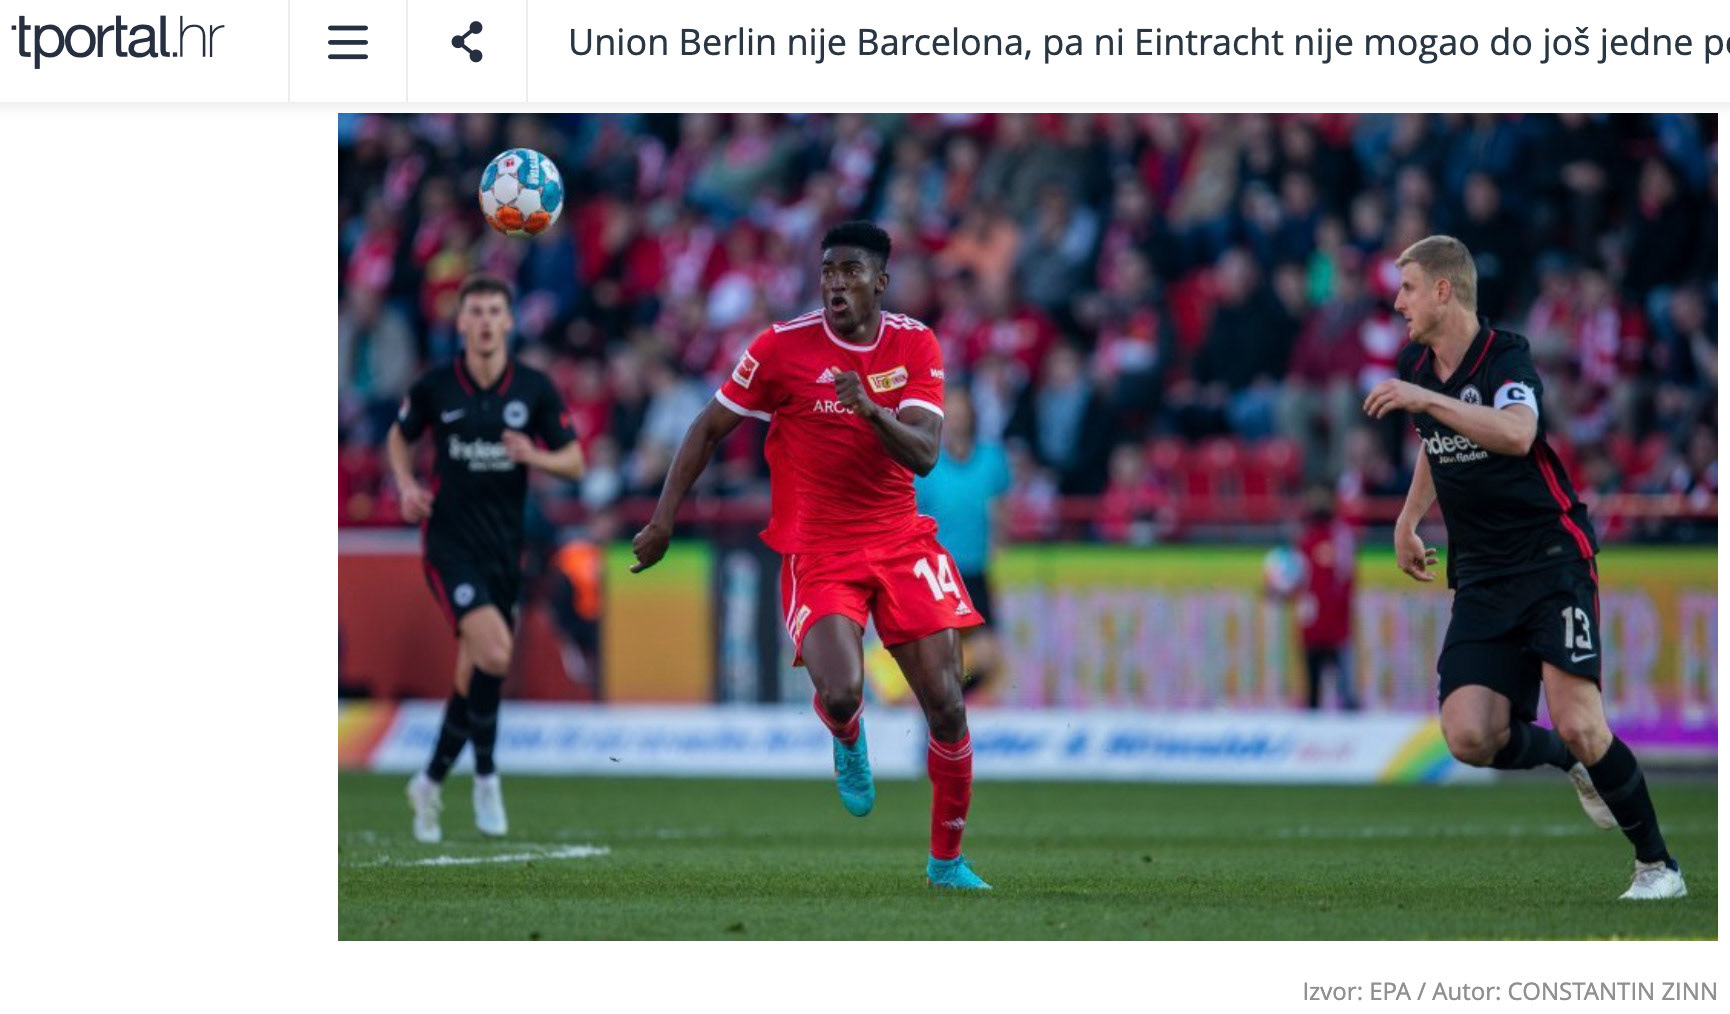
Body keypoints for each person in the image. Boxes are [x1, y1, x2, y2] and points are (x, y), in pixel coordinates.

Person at [631, 221, 991, 890]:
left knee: (947, 704)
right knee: (843, 688)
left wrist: (869, 411)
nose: (835, 284)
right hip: (819, 548)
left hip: (899, 538)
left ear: (880, 281)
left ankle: (947, 863)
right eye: (827, 272)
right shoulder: (779, 348)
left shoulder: (915, 343)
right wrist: (662, 519)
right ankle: (847, 737)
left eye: (851, 272)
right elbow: (708, 427)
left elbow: (924, 453)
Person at [1364, 236, 1685, 900]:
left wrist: (1426, 404)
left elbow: (1516, 433)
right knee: (1469, 735)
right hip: (1480, 571)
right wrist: (1406, 521)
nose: (1398, 303)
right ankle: (1568, 762)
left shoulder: (1505, 355)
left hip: (1550, 557)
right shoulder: (1418, 366)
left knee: (1580, 719)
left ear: (1445, 291)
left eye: (1408, 288)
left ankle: (1658, 867)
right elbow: (1438, 444)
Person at [389, 275, 585, 844]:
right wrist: (404, 484)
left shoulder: (534, 389)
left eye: (493, 311)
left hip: (505, 550)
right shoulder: (434, 388)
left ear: (508, 322)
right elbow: (399, 437)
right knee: (495, 651)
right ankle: (486, 777)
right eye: (473, 311)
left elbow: (575, 462)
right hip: (449, 545)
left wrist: (536, 457)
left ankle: (427, 782)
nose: (482, 320)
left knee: (473, 671)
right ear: (460, 322)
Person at [914, 387, 1011, 698]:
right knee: (946, 650)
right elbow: (914, 523)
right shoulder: (927, 465)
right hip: (941, 573)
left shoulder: (992, 459)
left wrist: (1000, 557)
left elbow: (1000, 514)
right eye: (950, 413)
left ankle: (946, 695)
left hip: (978, 571)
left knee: (987, 656)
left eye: (961, 412)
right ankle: (940, 699)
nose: (956, 419)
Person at [1293, 485, 1359, 711]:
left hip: (1337, 625)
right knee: (1313, 690)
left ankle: (1355, 736)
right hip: (1313, 626)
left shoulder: (1341, 536)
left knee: (1346, 689)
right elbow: (1298, 579)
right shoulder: (1304, 539)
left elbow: (1347, 577)